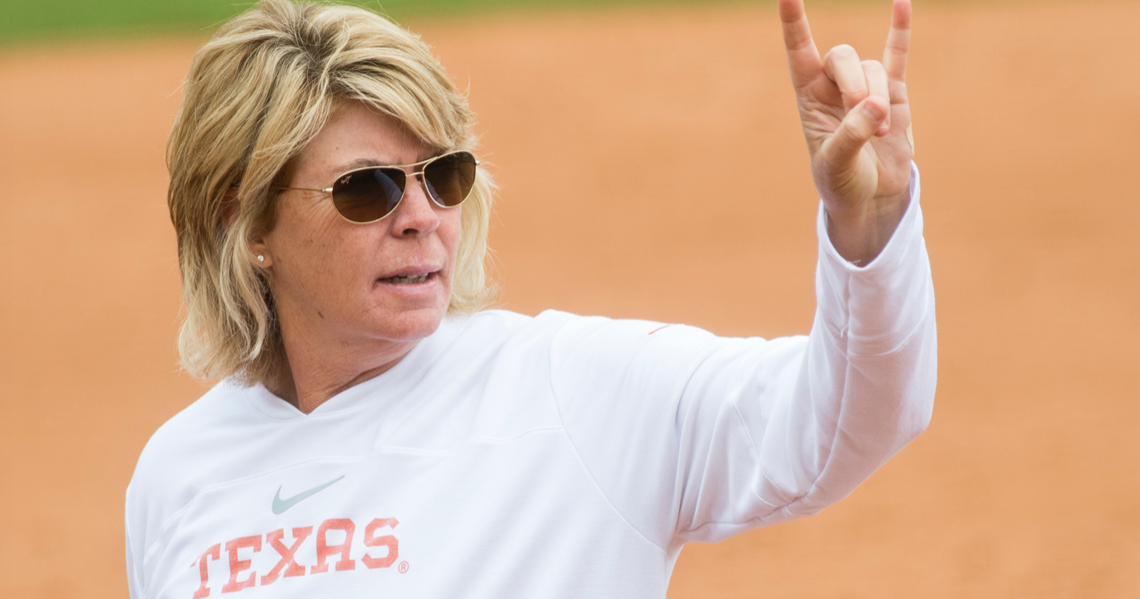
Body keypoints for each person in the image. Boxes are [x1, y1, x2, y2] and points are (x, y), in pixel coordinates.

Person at [125, 0, 935, 596]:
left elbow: (846, 418)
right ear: (246, 218)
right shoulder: (177, 474)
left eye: (444, 176)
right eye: (366, 190)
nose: (422, 219)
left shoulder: (573, 390)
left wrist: (867, 225)